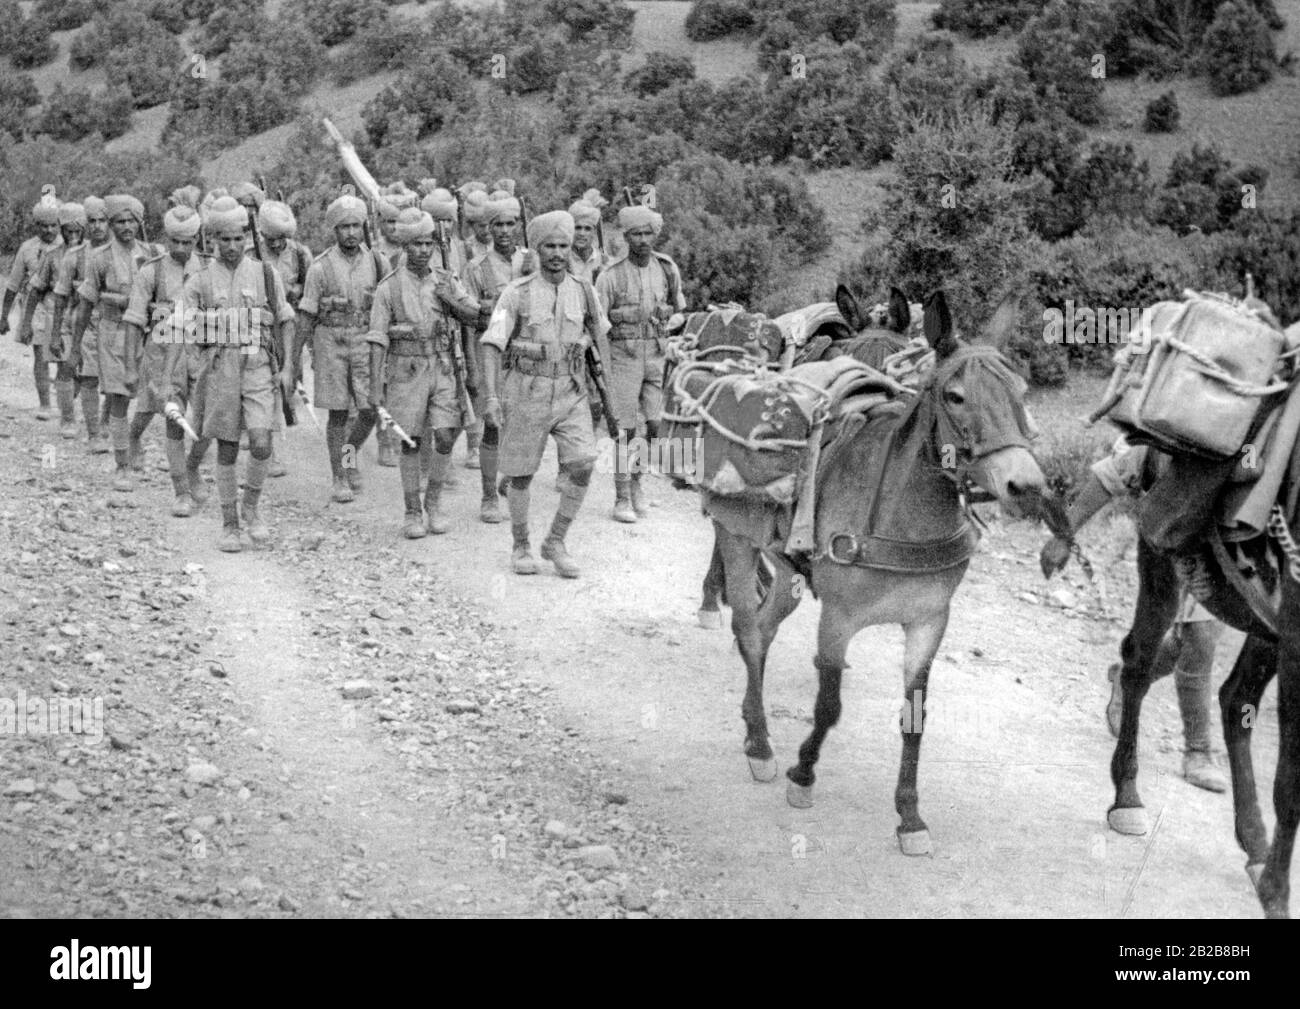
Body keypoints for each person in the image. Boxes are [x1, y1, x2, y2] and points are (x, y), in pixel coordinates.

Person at [1040, 435, 1228, 792]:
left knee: (1195, 637)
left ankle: (1126, 683)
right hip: (1168, 533)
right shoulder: (1182, 426)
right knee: (1196, 636)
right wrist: (1064, 536)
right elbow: (1113, 475)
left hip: (1230, 545)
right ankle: (1198, 751)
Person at [481, 210, 611, 577]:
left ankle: (556, 540)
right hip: (526, 391)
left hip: (571, 391)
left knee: (584, 464)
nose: (557, 253)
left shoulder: (584, 290)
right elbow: (492, 344)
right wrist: (491, 397)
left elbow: (600, 334)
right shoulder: (515, 294)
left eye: (563, 246)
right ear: (537, 250)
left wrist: (605, 388)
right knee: (521, 475)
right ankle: (521, 544)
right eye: (550, 246)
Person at [180, 196, 295, 551]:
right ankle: (229, 523)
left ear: (247, 237)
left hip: (258, 364)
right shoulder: (199, 280)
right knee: (227, 447)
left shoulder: (264, 273)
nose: (232, 246)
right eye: (224, 239)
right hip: (220, 368)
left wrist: (289, 366)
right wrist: (195, 367)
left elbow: (285, 319)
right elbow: (184, 328)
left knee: (261, 442)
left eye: (238, 238)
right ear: (212, 239)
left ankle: (252, 507)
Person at [367, 208, 481, 537]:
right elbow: (377, 338)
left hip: (444, 366)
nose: (423, 249)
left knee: (446, 434)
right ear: (404, 245)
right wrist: (375, 387)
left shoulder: (446, 280)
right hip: (405, 369)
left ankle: (434, 502)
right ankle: (412, 510)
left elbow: (476, 318)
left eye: (428, 242)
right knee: (411, 441)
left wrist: (451, 300)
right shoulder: (388, 287)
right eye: (416, 243)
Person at [293, 194, 389, 503]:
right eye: (344, 227)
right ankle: (339, 476)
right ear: (334, 230)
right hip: (330, 340)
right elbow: (306, 314)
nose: (350, 232)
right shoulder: (319, 268)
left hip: (365, 340)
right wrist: (293, 359)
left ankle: (349, 455)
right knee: (336, 413)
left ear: (364, 226)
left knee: (371, 409)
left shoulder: (377, 262)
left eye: (355, 226)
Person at [595, 204, 685, 523]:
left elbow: (679, 309)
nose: (643, 240)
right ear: (626, 236)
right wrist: (602, 365)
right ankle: (622, 497)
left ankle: (637, 483)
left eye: (648, 233)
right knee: (624, 428)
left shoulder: (666, 268)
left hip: (657, 359)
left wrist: (673, 324)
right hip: (623, 359)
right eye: (636, 234)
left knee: (657, 426)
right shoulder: (610, 276)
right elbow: (598, 323)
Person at [123, 204, 212, 516]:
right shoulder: (152, 271)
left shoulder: (209, 270)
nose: (181, 248)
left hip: (200, 352)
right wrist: (132, 367)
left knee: (203, 421)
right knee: (155, 412)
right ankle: (179, 490)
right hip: (161, 352)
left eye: (187, 242)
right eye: (175, 241)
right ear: (166, 238)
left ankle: (192, 468)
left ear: (197, 240)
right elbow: (134, 319)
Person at [70, 193, 154, 492]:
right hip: (112, 334)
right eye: (119, 221)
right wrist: (74, 349)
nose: (126, 226)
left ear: (139, 222)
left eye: (131, 220)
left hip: (145, 336)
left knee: (147, 400)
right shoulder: (100, 258)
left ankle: (134, 439)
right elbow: (85, 305)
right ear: (111, 224)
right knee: (118, 397)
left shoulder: (150, 254)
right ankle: (121, 465)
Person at [462, 194, 528, 522]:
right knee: (492, 423)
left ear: (519, 225)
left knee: (524, 425)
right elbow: (469, 314)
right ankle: (488, 495)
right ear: (488, 228)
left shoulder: (533, 262)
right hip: (493, 353)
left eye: (510, 223)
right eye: (497, 224)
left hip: (528, 356)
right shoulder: (476, 268)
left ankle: (510, 479)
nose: (504, 230)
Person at [255, 200, 313, 478]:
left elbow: (312, 289)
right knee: (264, 386)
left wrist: (292, 291)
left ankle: (283, 414)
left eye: (282, 239)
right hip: (259, 328)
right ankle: (269, 451)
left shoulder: (301, 254)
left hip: (290, 325)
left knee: (290, 376)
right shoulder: (250, 253)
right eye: (271, 240)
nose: (277, 245)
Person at [51, 196, 110, 450]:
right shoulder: (75, 257)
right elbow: (61, 297)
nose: (97, 226)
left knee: (109, 380)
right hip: (77, 322)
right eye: (93, 221)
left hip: (108, 323)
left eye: (102, 220)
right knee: (80, 374)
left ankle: (105, 423)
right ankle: (79, 425)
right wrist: (55, 334)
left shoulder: (118, 254)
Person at [21, 202, 84, 438]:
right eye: (69, 231)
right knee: (62, 363)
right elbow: (34, 290)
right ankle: (64, 415)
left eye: (78, 231)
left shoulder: (93, 254)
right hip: (55, 314)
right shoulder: (51, 256)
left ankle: (67, 401)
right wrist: (25, 322)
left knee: (83, 370)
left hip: (85, 317)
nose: (73, 236)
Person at [3, 196, 65, 419]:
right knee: (41, 355)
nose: (49, 230)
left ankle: (65, 400)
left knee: (64, 356)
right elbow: (13, 283)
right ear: (36, 225)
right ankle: (45, 404)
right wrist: (4, 316)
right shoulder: (27, 248)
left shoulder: (69, 246)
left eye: (53, 225)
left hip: (62, 306)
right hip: (35, 305)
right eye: (44, 226)